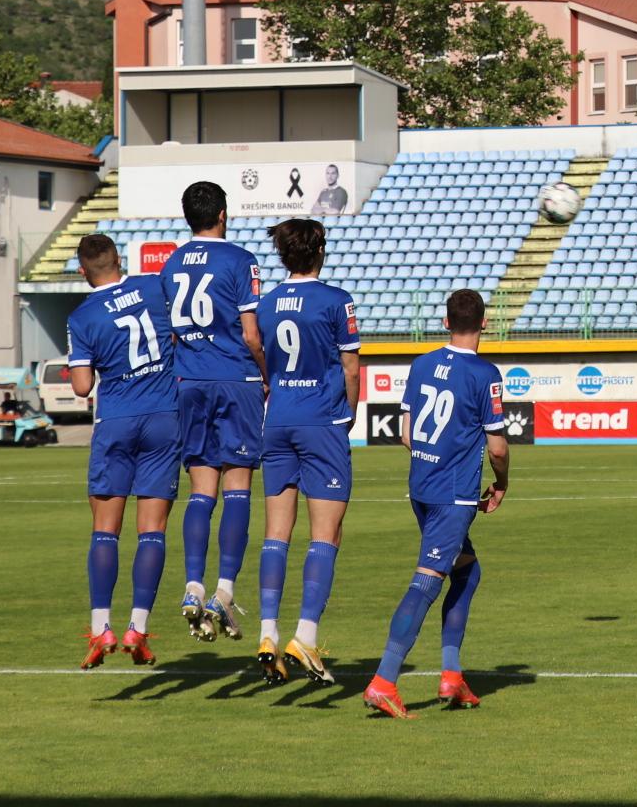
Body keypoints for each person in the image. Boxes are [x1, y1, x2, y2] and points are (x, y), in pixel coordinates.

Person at [363, 289, 509, 719]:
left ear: (445, 322)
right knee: (426, 583)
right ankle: (384, 681)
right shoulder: (485, 375)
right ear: (484, 324)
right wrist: (501, 483)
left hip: (422, 488)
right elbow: (497, 448)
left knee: (467, 570)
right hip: (454, 495)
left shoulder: (422, 363)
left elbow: (406, 434)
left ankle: (452, 675)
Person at [253, 218, 360, 684]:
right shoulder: (338, 301)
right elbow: (352, 369)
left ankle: (267, 633)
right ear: (320, 250)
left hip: (276, 421)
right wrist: (348, 413)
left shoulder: (267, 303)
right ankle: (306, 635)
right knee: (326, 535)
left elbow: (259, 351)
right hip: (322, 423)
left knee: (276, 533)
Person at [66, 233, 179, 669]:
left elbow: (81, 387)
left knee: (105, 531)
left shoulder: (82, 317)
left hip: (116, 421)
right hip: (163, 417)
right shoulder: (153, 287)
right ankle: (138, 627)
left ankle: (101, 629)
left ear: (82, 271)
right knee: (152, 530)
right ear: (120, 259)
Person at [158, 181, 265, 643]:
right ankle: (223, 590)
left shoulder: (172, 262)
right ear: (223, 213)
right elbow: (252, 334)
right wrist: (267, 374)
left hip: (190, 381)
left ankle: (192, 585)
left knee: (202, 489)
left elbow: (175, 332)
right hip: (234, 379)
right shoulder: (240, 260)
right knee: (238, 483)